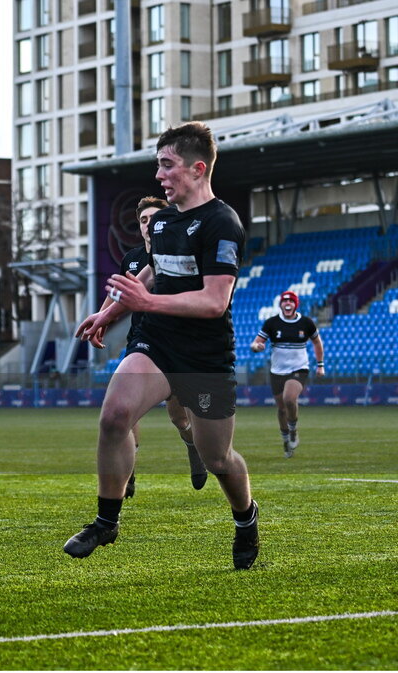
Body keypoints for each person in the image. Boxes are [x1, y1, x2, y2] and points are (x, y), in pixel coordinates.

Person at [68, 121, 259, 570]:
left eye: (166, 165)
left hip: (205, 359)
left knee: (218, 459)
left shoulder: (222, 223)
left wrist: (145, 300)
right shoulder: (167, 221)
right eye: (158, 165)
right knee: (115, 416)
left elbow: (215, 301)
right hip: (156, 344)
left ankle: (246, 518)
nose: (159, 175)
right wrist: (110, 313)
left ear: (197, 169)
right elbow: (153, 272)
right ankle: (106, 520)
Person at [97, 196, 208, 497]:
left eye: (155, 219)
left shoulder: (179, 255)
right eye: (144, 220)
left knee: (180, 418)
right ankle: (127, 473)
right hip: (141, 343)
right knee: (123, 412)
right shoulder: (132, 259)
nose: (149, 225)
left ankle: (192, 447)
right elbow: (119, 293)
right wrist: (101, 318)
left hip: (175, 346)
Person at [250, 290, 325, 458]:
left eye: (291, 301)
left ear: (295, 304)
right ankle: (286, 439)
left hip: (299, 368)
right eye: (284, 301)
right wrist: (257, 347)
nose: (287, 304)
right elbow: (256, 343)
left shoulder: (306, 323)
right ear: (281, 305)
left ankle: (293, 430)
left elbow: (317, 343)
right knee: (281, 408)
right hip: (277, 371)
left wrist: (320, 365)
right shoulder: (272, 323)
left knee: (289, 398)